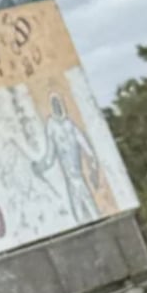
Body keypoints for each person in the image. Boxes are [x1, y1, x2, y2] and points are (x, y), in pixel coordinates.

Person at [32, 93, 100, 222]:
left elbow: (87, 148)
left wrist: (93, 167)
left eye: (58, 104)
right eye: (54, 105)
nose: (57, 107)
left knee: (90, 210)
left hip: (78, 177)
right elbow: (49, 157)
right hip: (71, 179)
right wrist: (39, 168)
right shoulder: (51, 126)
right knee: (81, 215)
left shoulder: (70, 125)